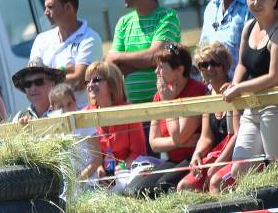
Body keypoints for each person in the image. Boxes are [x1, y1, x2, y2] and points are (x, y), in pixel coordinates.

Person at [221, 0, 278, 183]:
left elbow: (276, 77)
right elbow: (242, 64)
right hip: (253, 106)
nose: (255, 3)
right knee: (240, 168)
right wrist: (234, 85)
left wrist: (239, 90)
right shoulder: (248, 26)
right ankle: (257, 212)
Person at [106, 0, 182, 105]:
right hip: (134, 112)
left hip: (164, 107)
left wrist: (119, 57)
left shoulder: (168, 17)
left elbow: (157, 55)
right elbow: (111, 67)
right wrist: (148, 60)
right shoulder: (123, 22)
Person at [135, 45, 208, 193]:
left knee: (163, 186)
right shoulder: (160, 95)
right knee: (138, 189)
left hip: (193, 158)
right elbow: (154, 143)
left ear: (180, 70)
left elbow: (179, 136)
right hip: (174, 159)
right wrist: (177, 143)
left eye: (161, 67)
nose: (156, 72)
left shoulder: (195, 92)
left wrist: (168, 103)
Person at [179, 42, 240, 193]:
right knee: (184, 186)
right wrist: (197, 155)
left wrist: (218, 164)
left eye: (215, 63)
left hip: (236, 155)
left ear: (224, 65)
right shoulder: (208, 96)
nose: (209, 69)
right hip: (216, 156)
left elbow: (237, 136)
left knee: (215, 182)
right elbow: (206, 137)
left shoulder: (235, 91)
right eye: (203, 65)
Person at [29, 0, 101, 104]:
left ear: (68, 7)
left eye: (50, 7)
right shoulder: (41, 39)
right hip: (50, 117)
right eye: (45, 7)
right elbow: (32, 76)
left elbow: (79, 81)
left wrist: (46, 74)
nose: (46, 13)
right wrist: (66, 69)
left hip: (81, 118)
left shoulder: (90, 38)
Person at [82, 61, 146, 182]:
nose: (90, 85)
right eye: (87, 81)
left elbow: (138, 153)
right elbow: (91, 157)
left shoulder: (128, 112)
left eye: (96, 80)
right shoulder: (85, 114)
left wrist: (118, 169)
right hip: (97, 176)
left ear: (111, 83)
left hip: (126, 172)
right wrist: (100, 168)